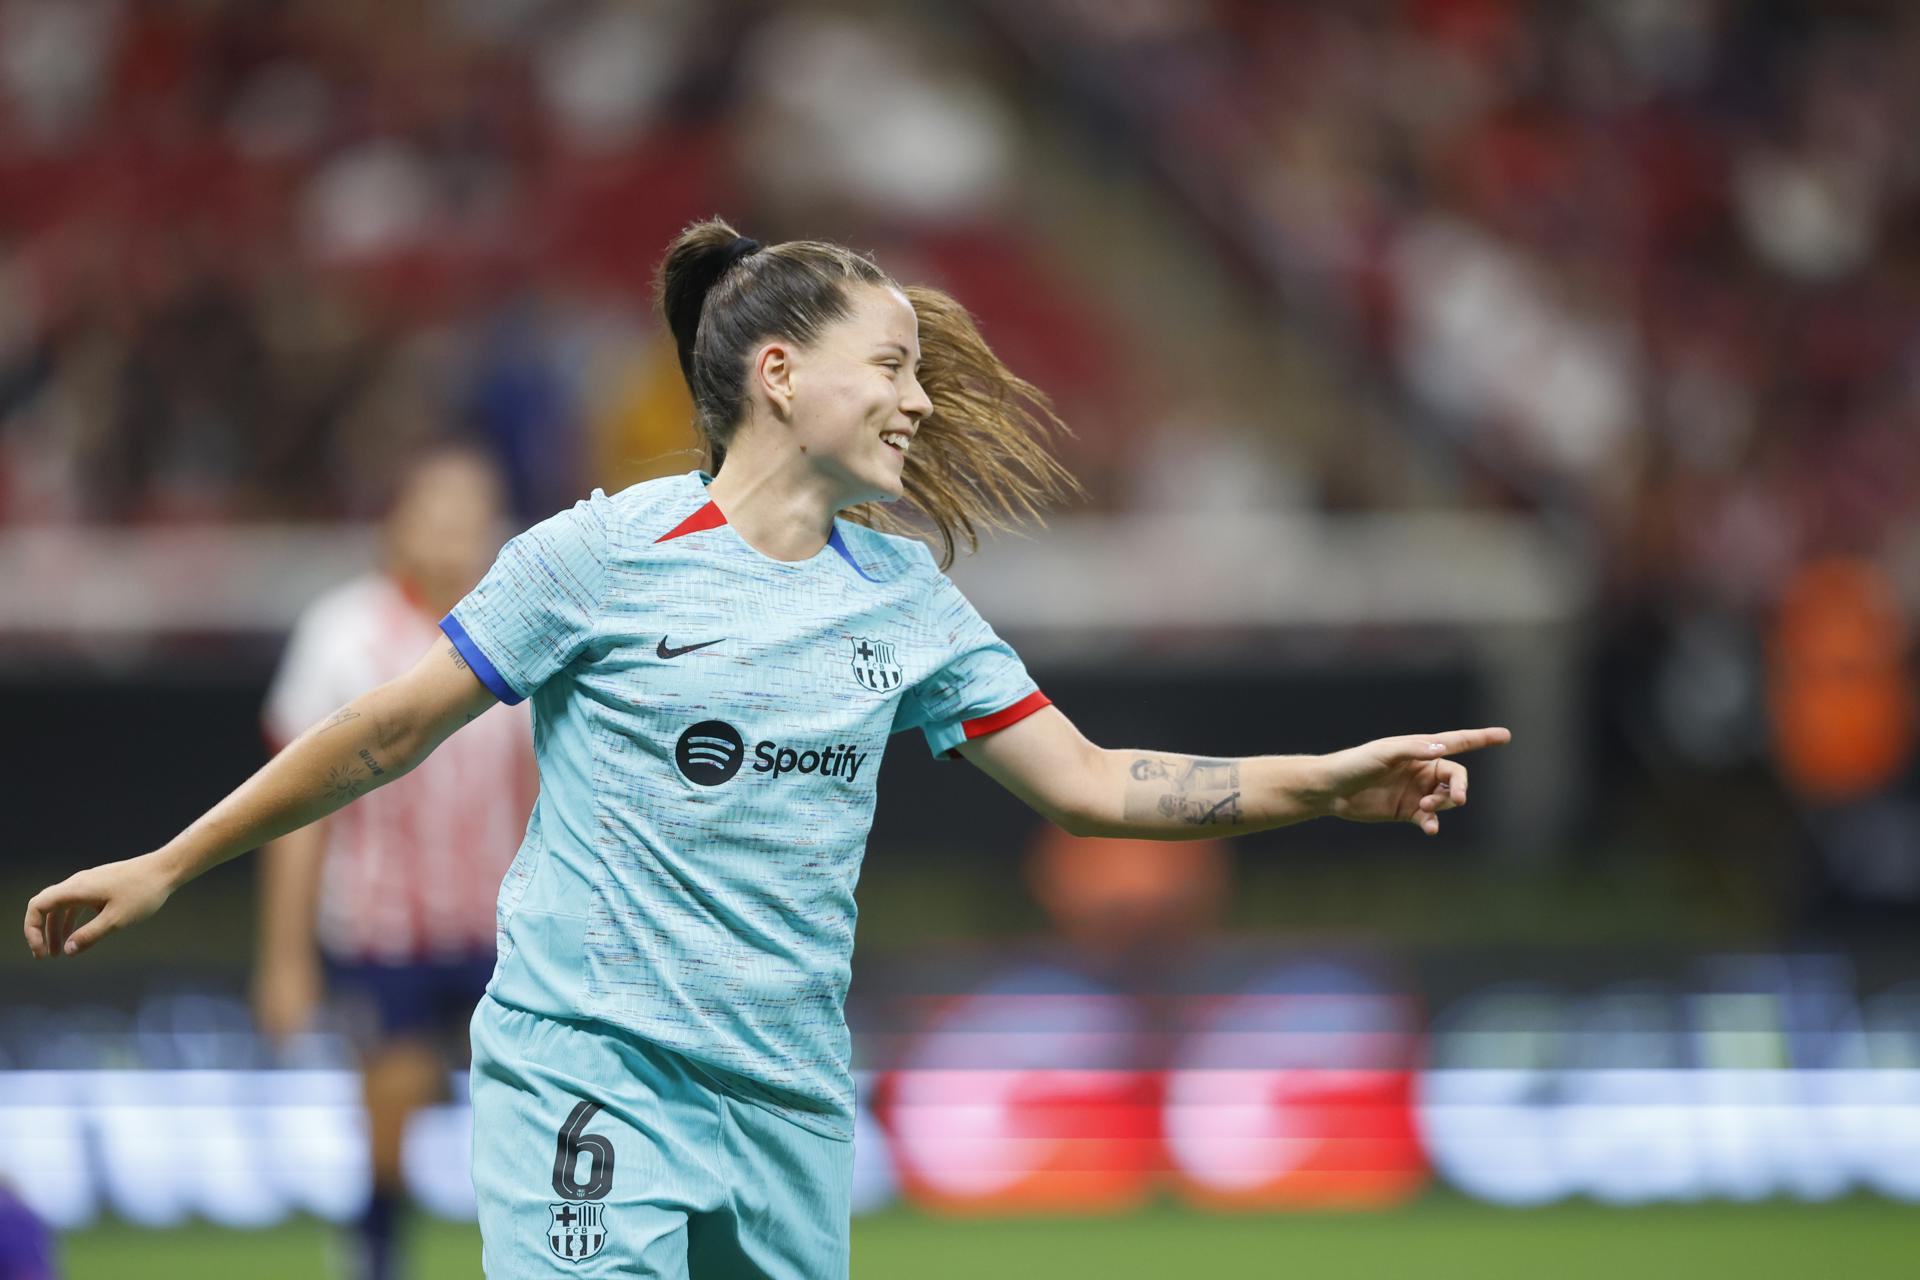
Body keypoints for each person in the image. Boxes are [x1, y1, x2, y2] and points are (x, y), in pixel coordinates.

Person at [23, 220, 1510, 1279]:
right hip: (588, 1071)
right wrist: (174, 861)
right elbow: (376, 736)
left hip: (785, 1097)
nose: (924, 401)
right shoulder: (595, 556)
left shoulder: (908, 601)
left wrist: (1326, 783)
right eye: (897, 365)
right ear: (783, 373)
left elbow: (1093, 782)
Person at [252, 444, 534, 1280]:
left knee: (535, 1118)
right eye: (438, 509)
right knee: (393, 1104)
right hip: (383, 931)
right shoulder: (343, 634)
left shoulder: (526, 625)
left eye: (473, 510)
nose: (455, 530)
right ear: (396, 524)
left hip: (503, 926)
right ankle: (376, 1253)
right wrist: (284, 957)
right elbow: (297, 812)